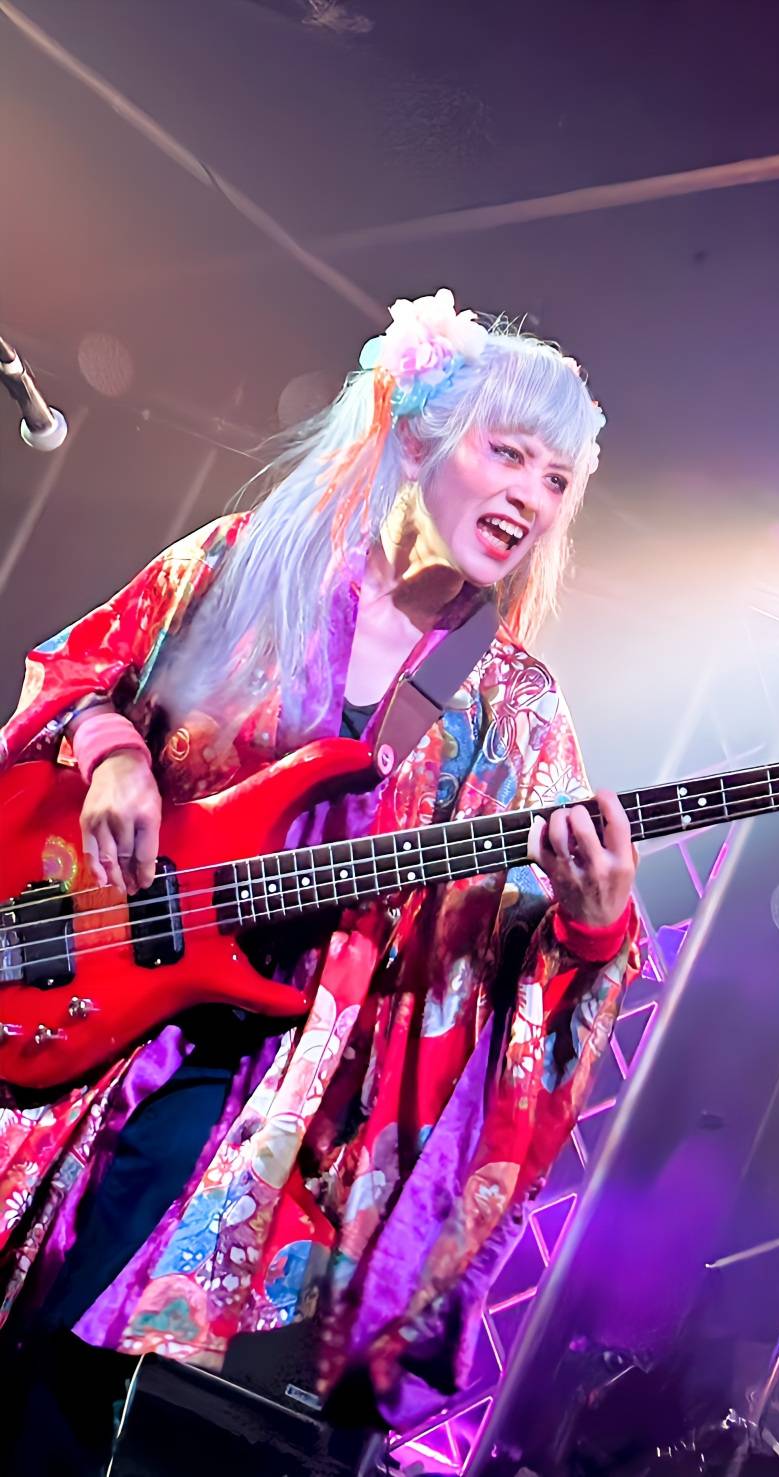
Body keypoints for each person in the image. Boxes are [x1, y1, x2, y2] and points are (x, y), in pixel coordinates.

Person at [0, 289, 639, 1474]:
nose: (531, 497)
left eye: (557, 479)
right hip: (70, 991)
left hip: (256, 1087)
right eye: (509, 454)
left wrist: (594, 926)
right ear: (417, 435)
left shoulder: (514, 709)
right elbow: (74, 673)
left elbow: (529, 963)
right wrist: (115, 751)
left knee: (64, 1388)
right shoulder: (247, 564)